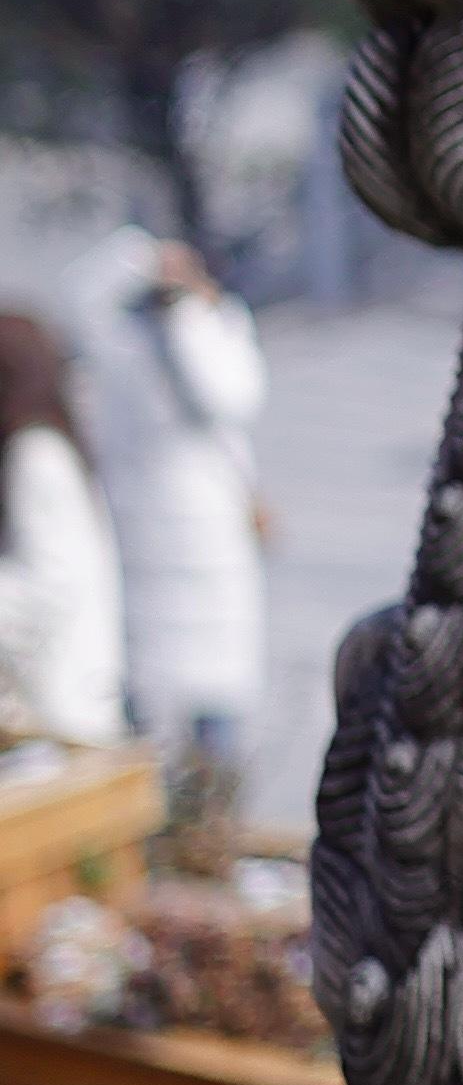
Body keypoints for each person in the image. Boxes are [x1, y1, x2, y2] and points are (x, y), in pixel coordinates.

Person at [70, 231, 268, 767]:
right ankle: (163, 813)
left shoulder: (210, 328)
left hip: (208, 534)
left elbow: (227, 395)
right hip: (144, 530)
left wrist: (189, 314)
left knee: (211, 696)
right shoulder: (123, 336)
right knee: (147, 692)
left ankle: (204, 819)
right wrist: (145, 258)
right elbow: (85, 293)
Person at [0, 308, 126, 747]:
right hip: (67, 706)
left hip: (58, 713)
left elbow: (45, 588)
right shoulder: (49, 446)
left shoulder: (37, 457)